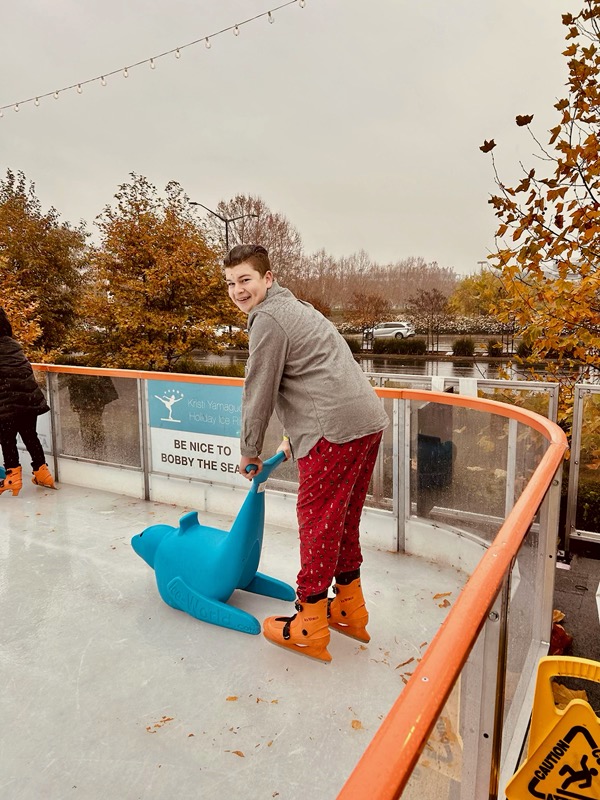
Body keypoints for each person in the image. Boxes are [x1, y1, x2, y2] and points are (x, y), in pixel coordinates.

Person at [224, 245, 389, 663]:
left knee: (317, 524)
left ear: (267, 277)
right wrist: (293, 438)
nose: (237, 290)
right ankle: (350, 607)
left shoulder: (267, 320)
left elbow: (258, 390)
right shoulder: (299, 308)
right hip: (366, 422)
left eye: (245, 280)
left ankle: (309, 623)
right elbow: (317, 375)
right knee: (343, 518)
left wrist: (249, 451)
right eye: (230, 283)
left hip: (334, 432)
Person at [0, 308, 55, 495]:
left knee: (7, 439)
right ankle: (42, 473)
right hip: (29, 400)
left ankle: (12, 478)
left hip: (7, 403)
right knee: (30, 435)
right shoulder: (13, 344)